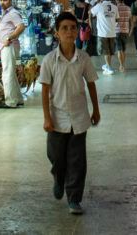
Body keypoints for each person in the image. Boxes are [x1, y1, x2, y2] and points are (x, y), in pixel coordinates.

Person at [41, 12, 101, 216]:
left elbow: (91, 83)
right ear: (56, 33)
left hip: (79, 116)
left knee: (77, 160)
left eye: (73, 28)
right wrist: (47, 117)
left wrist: (96, 109)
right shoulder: (49, 60)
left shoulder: (83, 58)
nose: (69, 32)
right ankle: (58, 178)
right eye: (64, 28)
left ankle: (74, 198)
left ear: (77, 31)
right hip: (57, 118)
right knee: (56, 156)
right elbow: (45, 90)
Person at [0, 0, 25, 107]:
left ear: (10, 0)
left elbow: (21, 27)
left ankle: (10, 102)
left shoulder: (13, 13)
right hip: (6, 46)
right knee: (11, 73)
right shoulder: (5, 13)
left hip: (9, 46)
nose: (2, 2)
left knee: (7, 73)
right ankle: (18, 99)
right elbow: (6, 28)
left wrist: (9, 37)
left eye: (5, 0)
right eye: (0, 0)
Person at [90, 0, 118, 75]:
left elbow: (90, 12)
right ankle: (107, 65)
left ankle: (109, 68)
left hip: (103, 33)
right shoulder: (115, 7)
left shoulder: (99, 6)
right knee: (110, 51)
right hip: (112, 32)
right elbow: (117, 19)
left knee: (106, 51)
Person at [115, 0, 132, 73]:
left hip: (117, 31)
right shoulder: (128, 8)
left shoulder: (115, 8)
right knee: (124, 50)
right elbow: (131, 20)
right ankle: (123, 65)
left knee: (119, 50)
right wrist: (130, 31)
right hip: (126, 31)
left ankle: (121, 66)